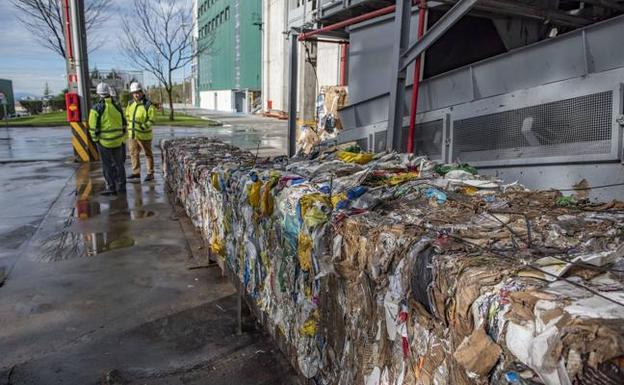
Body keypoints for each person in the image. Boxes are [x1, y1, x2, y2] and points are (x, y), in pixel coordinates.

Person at [89, 82, 127, 195]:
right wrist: (122, 138)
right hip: (118, 141)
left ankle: (111, 187)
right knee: (119, 165)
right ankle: (121, 186)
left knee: (107, 166)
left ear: (98, 94)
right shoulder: (117, 107)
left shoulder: (96, 109)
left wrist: (95, 139)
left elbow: (92, 127)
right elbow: (124, 124)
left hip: (104, 143)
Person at [125, 82, 156, 182]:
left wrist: (143, 127)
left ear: (142, 92)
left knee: (148, 154)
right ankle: (136, 173)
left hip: (144, 135)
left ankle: (150, 173)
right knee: (133, 153)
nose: (136, 94)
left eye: (138, 92)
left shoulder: (148, 105)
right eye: (134, 93)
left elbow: (152, 119)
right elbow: (127, 116)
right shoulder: (130, 104)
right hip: (132, 135)